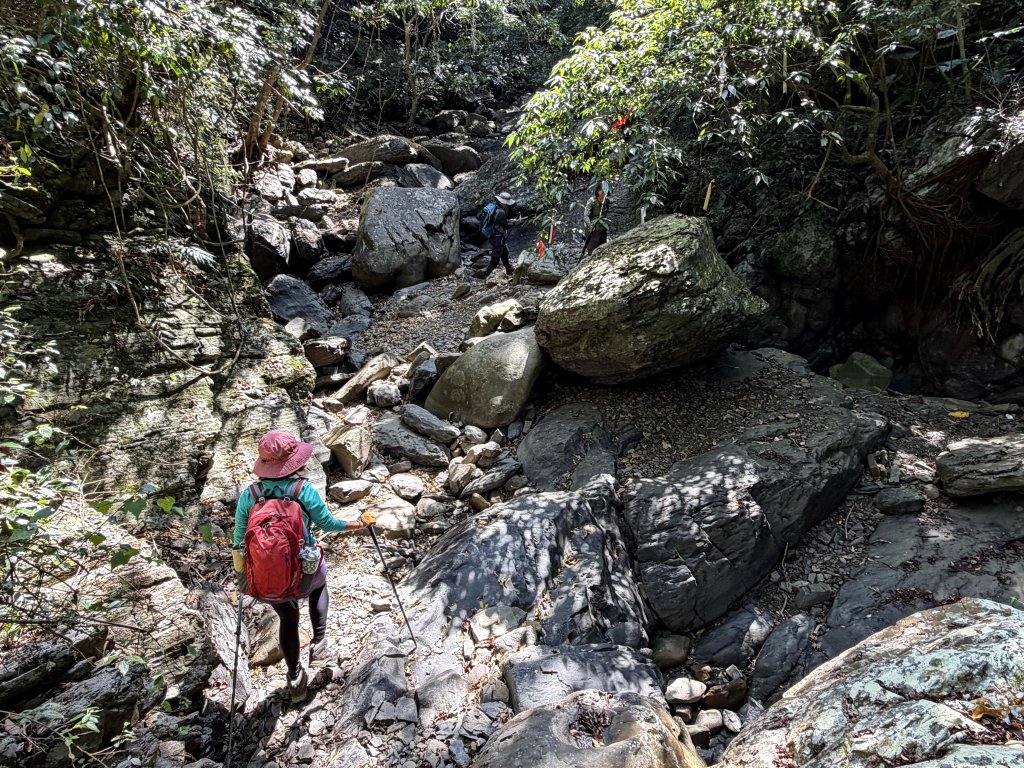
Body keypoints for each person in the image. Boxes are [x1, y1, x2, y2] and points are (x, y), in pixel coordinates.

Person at [232, 430, 374, 703]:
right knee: (320, 585)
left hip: (266, 580)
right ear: (293, 462)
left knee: (288, 617)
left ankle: (295, 679)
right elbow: (329, 524)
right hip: (304, 574)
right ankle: (319, 648)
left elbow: (239, 541)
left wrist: (242, 577)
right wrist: (359, 524)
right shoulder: (301, 490)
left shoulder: (249, 496)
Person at [484, 191, 516, 276]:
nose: (508, 205)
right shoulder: (501, 212)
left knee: (504, 251)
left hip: (493, 235)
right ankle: (486, 274)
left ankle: (508, 268)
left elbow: (498, 222)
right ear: (503, 202)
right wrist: (513, 223)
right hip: (497, 237)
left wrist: (508, 222)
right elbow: (506, 226)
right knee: (496, 257)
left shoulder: (495, 208)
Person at [582, 184, 610, 257]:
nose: (603, 195)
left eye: (605, 193)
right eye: (602, 192)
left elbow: (605, 214)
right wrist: (589, 225)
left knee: (602, 249)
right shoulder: (592, 201)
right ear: (598, 192)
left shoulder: (607, 201)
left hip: (602, 229)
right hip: (592, 230)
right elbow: (586, 215)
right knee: (592, 252)